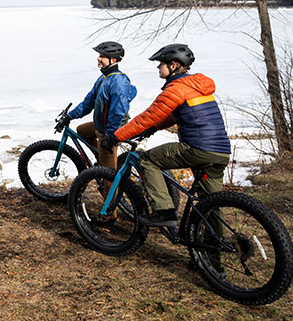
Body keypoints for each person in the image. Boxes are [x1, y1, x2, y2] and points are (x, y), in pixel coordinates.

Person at [101, 43, 231, 227]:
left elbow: (147, 117)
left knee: (147, 160)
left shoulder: (176, 89)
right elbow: (172, 114)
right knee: (210, 204)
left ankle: (164, 211)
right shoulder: (195, 86)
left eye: (161, 63)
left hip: (197, 149)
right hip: (220, 152)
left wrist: (116, 137)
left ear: (174, 65)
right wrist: (154, 128)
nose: (157, 67)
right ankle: (212, 250)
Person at [56, 41, 137, 219]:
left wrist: (110, 137)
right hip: (102, 125)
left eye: (102, 56)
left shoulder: (118, 81)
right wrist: (69, 116)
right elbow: (88, 103)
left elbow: (118, 112)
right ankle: (101, 162)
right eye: (99, 55)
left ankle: (110, 214)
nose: (98, 59)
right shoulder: (104, 78)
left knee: (108, 176)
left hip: (111, 130)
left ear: (113, 59)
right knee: (82, 130)